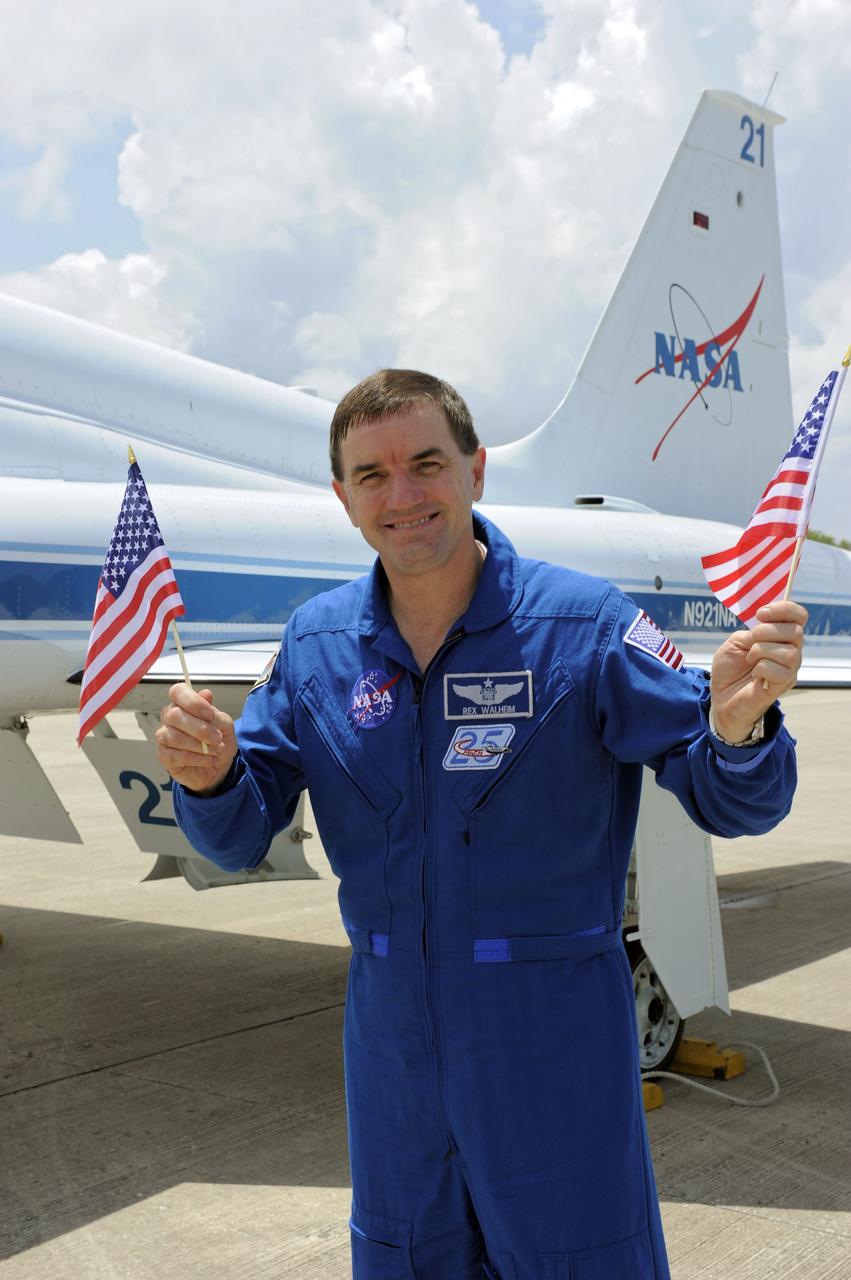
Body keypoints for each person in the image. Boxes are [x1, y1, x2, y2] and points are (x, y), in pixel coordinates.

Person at [156, 369, 804, 1280]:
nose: (403, 494)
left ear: (475, 472)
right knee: (405, 1258)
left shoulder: (580, 626)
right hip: (389, 1040)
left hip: (550, 1031)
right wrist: (213, 777)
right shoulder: (316, 645)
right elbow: (234, 835)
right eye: (372, 476)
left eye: (426, 464)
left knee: (578, 1258)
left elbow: (734, 799)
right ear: (343, 499)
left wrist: (738, 729)